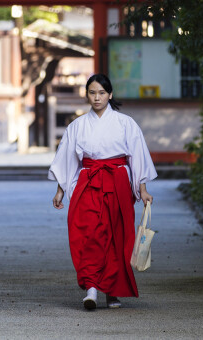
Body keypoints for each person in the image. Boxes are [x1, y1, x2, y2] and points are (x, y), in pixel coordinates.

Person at [49, 73, 157, 310]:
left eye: (101, 93)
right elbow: (67, 159)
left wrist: (143, 188)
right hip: (88, 182)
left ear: (110, 95)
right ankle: (91, 289)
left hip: (117, 181)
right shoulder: (77, 126)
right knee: (88, 234)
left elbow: (136, 155)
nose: (96, 98)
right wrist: (60, 190)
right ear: (86, 94)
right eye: (92, 92)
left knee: (117, 237)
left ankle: (112, 291)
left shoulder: (126, 123)